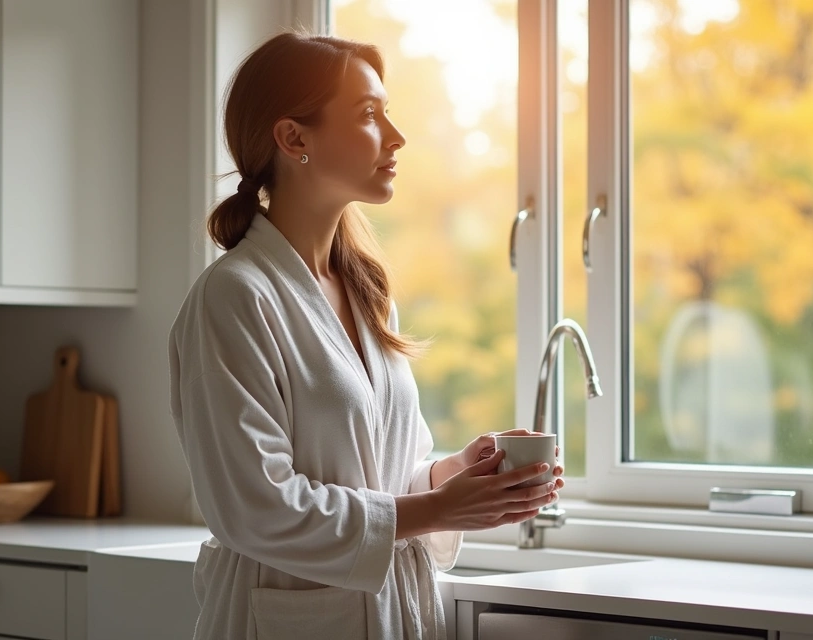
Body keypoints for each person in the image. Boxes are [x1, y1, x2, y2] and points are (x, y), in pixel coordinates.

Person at [168, 31, 564, 640]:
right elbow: (255, 507)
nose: (397, 137)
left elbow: (380, 473)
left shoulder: (365, 290)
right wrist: (437, 509)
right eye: (369, 115)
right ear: (293, 137)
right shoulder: (235, 297)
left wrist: (456, 475)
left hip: (394, 613)